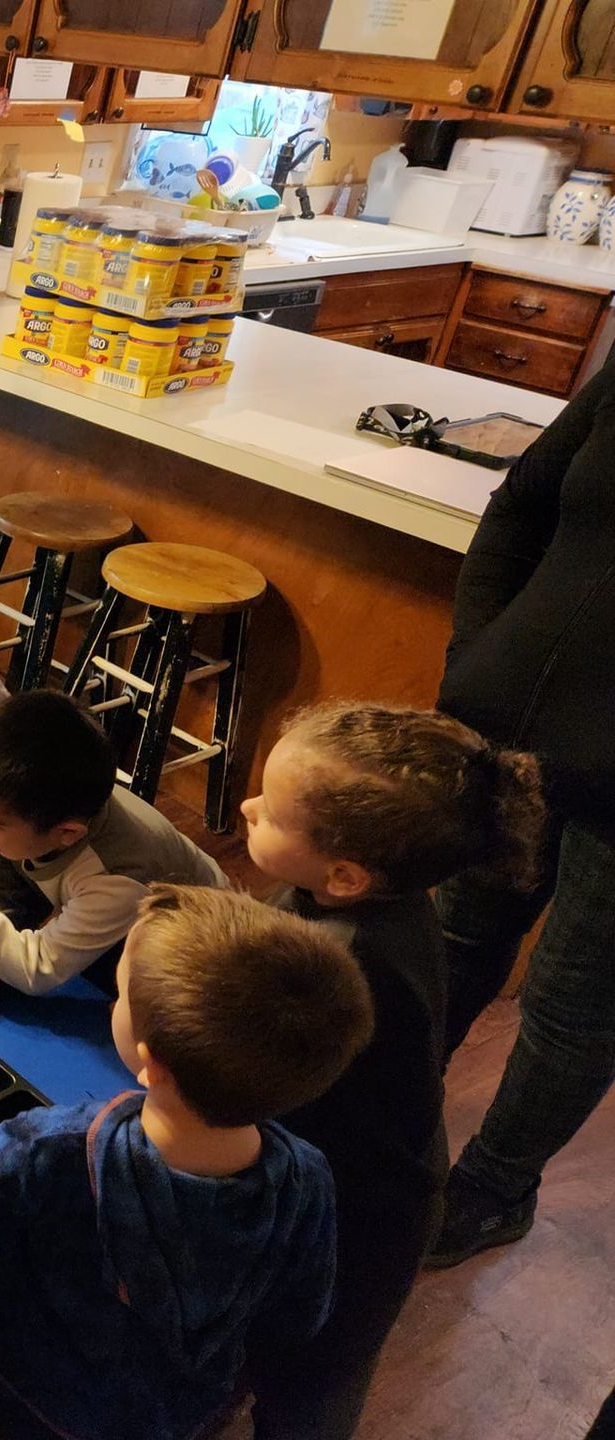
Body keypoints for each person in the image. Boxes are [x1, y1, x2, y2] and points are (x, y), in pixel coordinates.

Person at [0, 884, 374, 1440]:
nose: (114, 1004)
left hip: (27, 1394)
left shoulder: (66, 1146)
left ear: (150, 1063)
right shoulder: (308, 1177)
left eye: (118, 996)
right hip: (176, 1418)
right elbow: (299, 1316)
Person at [239, 702, 544, 1440]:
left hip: (361, 1220)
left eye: (271, 814)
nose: (246, 806)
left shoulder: (340, 963)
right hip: (356, 1173)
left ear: (346, 875)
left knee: (315, 1384)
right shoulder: (370, 904)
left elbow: (246, 1076)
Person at [429, 361, 615, 1268]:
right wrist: (479, 655)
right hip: (515, 735)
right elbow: (524, 504)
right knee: (456, 936)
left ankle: (495, 1189)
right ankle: (389, 1100)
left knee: (572, 1007)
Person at [0, 690, 227, 1014]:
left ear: (67, 834)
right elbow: (2, 882)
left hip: (197, 964)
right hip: (116, 927)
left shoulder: (115, 877)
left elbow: (39, 967)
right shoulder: (39, 809)